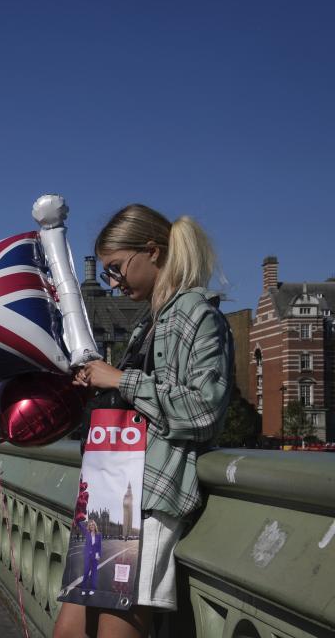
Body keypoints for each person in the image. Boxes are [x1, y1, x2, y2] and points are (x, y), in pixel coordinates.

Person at [54, 204, 233, 638]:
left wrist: (121, 379)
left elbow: (204, 410)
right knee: (69, 631)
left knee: (116, 630)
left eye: (117, 269)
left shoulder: (196, 314)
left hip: (147, 501)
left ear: (152, 252)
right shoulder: (149, 323)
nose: (113, 283)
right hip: (109, 495)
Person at [81, 519, 102, 596]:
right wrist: (77, 519)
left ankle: (93, 589)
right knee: (86, 572)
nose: (91, 526)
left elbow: (99, 546)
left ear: (95, 526)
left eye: (92, 525)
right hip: (87, 556)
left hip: (95, 557)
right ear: (89, 527)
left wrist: (99, 555)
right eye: (90, 525)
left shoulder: (99, 534)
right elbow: (80, 526)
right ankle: (83, 588)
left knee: (94, 573)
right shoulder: (87, 533)